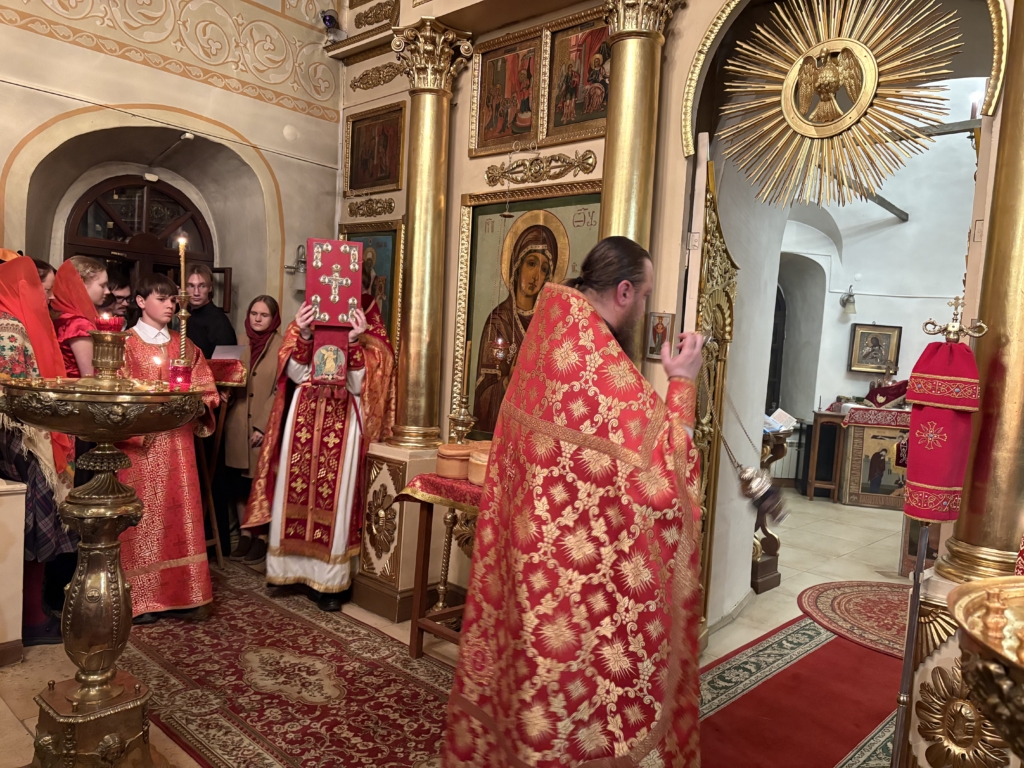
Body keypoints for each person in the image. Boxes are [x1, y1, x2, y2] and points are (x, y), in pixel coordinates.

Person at [443, 236, 704, 767]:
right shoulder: (595, 360)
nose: (644, 309)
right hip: (573, 591)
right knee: (569, 704)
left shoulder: (545, 337)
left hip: (526, 570)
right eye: (644, 296)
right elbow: (668, 475)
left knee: (524, 688)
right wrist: (682, 383)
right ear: (624, 291)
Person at [244, 262, 396, 612]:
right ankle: (289, 571)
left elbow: (364, 386)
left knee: (335, 497)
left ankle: (328, 582)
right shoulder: (307, 317)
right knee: (295, 489)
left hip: (343, 419)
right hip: (304, 414)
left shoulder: (370, 327)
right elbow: (295, 373)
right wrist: (304, 334)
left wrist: (354, 341)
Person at [117, 273, 219, 624]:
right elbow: (117, 394)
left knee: (180, 518)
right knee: (142, 518)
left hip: (178, 445)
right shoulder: (125, 345)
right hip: (141, 446)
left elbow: (207, 389)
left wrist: (195, 402)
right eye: (161, 298)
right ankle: (142, 599)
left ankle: (185, 594)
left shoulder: (184, 344)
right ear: (141, 301)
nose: (170, 305)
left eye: (173, 299)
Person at [0, 257, 76, 645]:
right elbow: (21, 396)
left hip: (14, 443)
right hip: (24, 444)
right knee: (34, 529)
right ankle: (31, 618)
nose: (45, 299)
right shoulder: (11, 330)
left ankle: (28, 613)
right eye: (39, 289)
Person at [474, 225, 558, 433]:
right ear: (518, 266)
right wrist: (506, 383)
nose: (536, 275)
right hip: (505, 429)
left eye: (544, 269)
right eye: (532, 264)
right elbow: (482, 391)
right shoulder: (498, 321)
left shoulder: (548, 324)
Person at [224, 295, 283, 565]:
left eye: (264, 315)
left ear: (273, 318)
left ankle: (262, 537)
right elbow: (228, 376)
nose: (258, 319)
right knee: (238, 485)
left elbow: (280, 389)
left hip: (263, 426)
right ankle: (245, 535)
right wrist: (223, 391)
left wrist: (262, 424)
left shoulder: (282, 346)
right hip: (237, 424)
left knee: (260, 483)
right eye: (254, 314)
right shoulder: (238, 342)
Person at [51, 257, 107, 377]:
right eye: (102, 285)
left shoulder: (61, 316)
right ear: (82, 285)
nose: (107, 291)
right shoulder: (79, 324)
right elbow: (89, 377)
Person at [185, 264, 236, 359]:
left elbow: (226, 364)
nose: (196, 293)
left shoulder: (220, 322)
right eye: (191, 286)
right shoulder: (183, 313)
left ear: (210, 288)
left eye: (202, 286)